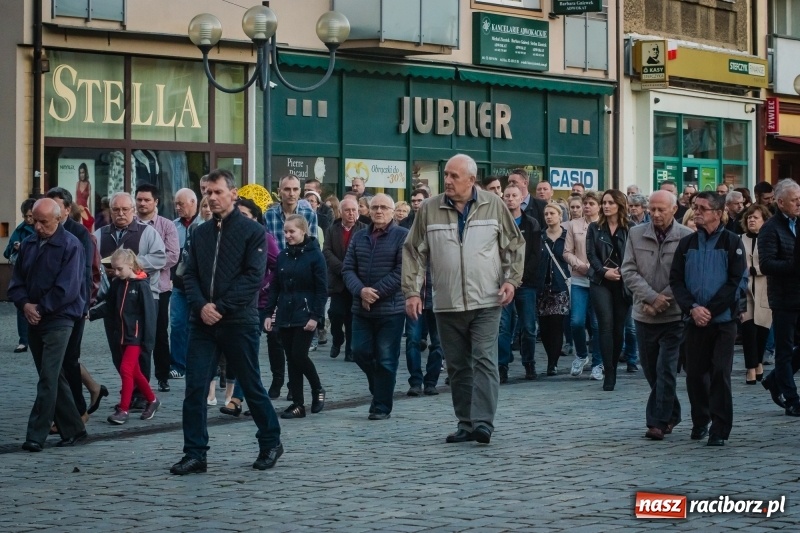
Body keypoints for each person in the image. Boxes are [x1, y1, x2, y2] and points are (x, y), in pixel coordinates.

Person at [403, 154, 525, 444]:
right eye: (445, 174)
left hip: (487, 299)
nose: (447, 180)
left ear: (471, 180)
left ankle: (483, 422)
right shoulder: (430, 209)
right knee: (458, 366)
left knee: (484, 360)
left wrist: (511, 280)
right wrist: (411, 291)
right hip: (446, 302)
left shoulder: (493, 205)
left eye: (454, 176)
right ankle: (465, 423)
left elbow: (514, 245)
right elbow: (413, 252)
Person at [171, 169, 283, 475]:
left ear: (233, 194)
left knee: (249, 383)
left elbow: (252, 277)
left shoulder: (252, 231)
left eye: (218, 191)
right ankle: (195, 453)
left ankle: (270, 441)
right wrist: (201, 306)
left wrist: (219, 307)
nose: (211, 197)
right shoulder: (200, 233)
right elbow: (186, 274)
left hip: (238, 320)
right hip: (202, 322)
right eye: (207, 192)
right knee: (195, 387)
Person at [10, 198, 87, 452]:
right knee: (54, 377)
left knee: (48, 377)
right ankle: (75, 428)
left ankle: (36, 434)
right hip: (35, 316)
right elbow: (17, 281)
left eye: (44, 222)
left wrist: (39, 308)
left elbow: (68, 289)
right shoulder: (30, 243)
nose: (38, 227)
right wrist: (25, 305)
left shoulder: (70, 245)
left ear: (58, 219)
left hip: (60, 319)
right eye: (35, 221)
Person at [670, 191, 746, 446]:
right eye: (695, 207)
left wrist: (709, 310)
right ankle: (701, 419)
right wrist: (692, 308)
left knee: (720, 373)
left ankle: (720, 428)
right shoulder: (687, 244)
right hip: (694, 320)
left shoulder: (732, 242)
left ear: (717, 212)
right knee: (694, 374)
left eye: (702, 208)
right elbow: (676, 280)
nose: (697, 212)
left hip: (723, 321)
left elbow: (735, 282)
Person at [621, 191, 693, 441]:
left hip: (674, 317)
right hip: (644, 314)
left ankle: (658, 422)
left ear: (674, 210)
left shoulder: (686, 236)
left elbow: (686, 276)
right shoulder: (635, 233)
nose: (656, 214)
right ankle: (672, 412)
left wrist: (663, 299)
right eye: (652, 209)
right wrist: (651, 298)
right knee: (651, 371)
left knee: (666, 369)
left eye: (661, 209)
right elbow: (628, 270)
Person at [95, 192, 166, 408]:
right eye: (116, 210)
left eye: (125, 209)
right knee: (118, 348)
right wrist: (103, 270)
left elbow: (160, 257)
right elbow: (90, 260)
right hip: (113, 300)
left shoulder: (147, 232)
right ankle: (131, 388)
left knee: (140, 350)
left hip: (141, 299)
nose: (121, 214)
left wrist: (130, 265)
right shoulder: (99, 234)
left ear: (133, 211)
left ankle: (141, 395)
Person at [343, 194, 408, 420]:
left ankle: (381, 406)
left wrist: (375, 293)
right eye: (375, 207)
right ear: (368, 211)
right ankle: (378, 386)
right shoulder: (359, 237)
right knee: (359, 351)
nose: (379, 211)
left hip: (391, 309)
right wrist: (361, 291)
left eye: (384, 207)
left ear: (392, 211)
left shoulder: (402, 236)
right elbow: (347, 269)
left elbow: (402, 272)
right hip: (361, 308)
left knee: (386, 358)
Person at [45, 187, 100, 424]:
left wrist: (85, 305)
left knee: (68, 360)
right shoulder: (43, 230)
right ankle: (80, 402)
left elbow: (86, 273)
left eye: (58, 208)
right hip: (49, 306)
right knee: (61, 361)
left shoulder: (79, 234)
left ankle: (78, 412)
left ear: (67, 209)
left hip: (73, 305)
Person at [264, 215, 328, 419]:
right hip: (285, 312)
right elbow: (275, 287)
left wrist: (316, 316)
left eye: (292, 231)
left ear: (303, 231)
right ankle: (298, 404)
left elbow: (321, 289)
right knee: (291, 358)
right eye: (285, 231)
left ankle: (317, 388)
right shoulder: (283, 256)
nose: (287, 235)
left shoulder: (315, 256)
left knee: (300, 355)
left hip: (305, 313)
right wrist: (269, 312)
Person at [89, 249, 160, 424]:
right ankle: (152, 400)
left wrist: (148, 343)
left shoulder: (142, 285)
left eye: (120, 269)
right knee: (134, 371)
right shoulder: (117, 284)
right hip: (121, 334)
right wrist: (91, 314)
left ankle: (124, 410)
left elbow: (150, 316)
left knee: (127, 370)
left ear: (130, 265)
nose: (116, 273)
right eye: (114, 269)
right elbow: (110, 306)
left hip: (135, 336)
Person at [759, 179, 800, 415]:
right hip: (784, 298)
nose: (798, 203)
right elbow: (766, 264)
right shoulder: (770, 228)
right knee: (783, 350)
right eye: (794, 200)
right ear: (780, 202)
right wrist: (794, 265)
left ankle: (775, 380)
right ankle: (791, 398)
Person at [135, 183, 180, 393]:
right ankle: (139, 378)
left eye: (146, 200)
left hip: (160, 288)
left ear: (156, 202)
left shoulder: (166, 225)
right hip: (133, 287)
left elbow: (172, 255)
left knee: (160, 333)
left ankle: (163, 375)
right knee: (136, 334)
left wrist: (141, 264)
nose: (142, 203)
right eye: (139, 199)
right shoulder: (131, 225)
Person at [586, 190, 631, 391]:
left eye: (610, 202)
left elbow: (632, 255)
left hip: (623, 281)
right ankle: (609, 372)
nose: (606, 206)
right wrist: (604, 272)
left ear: (619, 204)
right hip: (600, 280)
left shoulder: (630, 228)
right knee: (605, 324)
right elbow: (591, 254)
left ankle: (613, 363)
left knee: (618, 327)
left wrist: (620, 272)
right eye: (604, 202)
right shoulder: (595, 228)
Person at [498, 183, 541, 381]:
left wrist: (520, 278)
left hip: (526, 284)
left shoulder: (530, 223)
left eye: (514, 195)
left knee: (528, 327)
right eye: (507, 195)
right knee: (503, 327)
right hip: (502, 282)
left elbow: (534, 255)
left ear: (521, 198)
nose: (510, 199)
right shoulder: (497, 223)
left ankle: (529, 363)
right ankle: (502, 365)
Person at [564, 191, 603, 379]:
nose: (587, 206)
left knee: (597, 324)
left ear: (599, 206)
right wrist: (577, 264)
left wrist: (594, 267)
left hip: (598, 280)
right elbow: (567, 252)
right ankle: (581, 354)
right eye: (585, 203)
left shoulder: (604, 225)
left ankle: (598, 363)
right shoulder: (574, 225)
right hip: (579, 278)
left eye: (591, 203)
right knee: (576, 321)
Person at [323, 197, 366, 363]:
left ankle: (350, 351)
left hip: (356, 280)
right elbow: (326, 251)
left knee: (352, 317)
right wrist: (342, 269)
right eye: (347, 210)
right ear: (340, 212)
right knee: (336, 313)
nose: (351, 213)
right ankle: (337, 339)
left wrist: (351, 271)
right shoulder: (332, 229)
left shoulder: (364, 229)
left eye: (354, 210)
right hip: (338, 280)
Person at [170, 188, 202, 380]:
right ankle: (178, 364)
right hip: (179, 284)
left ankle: (195, 363)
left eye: (181, 203)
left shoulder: (203, 224)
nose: (178, 207)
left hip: (197, 286)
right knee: (177, 323)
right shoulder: (173, 226)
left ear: (193, 202)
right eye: (176, 204)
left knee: (195, 326)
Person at [740, 204, 772, 385]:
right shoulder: (739, 239)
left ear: (764, 221)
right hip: (744, 291)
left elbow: (773, 263)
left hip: (765, 290)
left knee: (762, 331)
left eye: (756, 217)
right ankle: (750, 368)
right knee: (748, 330)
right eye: (749, 217)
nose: (751, 220)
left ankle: (758, 363)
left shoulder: (769, 239)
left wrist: (754, 269)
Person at [538, 203, 570, 376]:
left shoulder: (567, 237)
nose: (549, 216)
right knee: (544, 327)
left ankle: (553, 363)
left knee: (557, 325)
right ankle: (550, 356)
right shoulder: (540, 237)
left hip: (560, 286)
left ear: (560, 216)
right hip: (543, 287)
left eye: (552, 213)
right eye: (546, 214)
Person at [5, 198, 36, 353]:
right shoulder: (20, 229)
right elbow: (6, 252)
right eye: (26, 216)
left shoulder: (42, 226)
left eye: (31, 216)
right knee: (22, 305)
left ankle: (38, 339)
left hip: (39, 273)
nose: (29, 219)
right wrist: (15, 246)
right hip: (23, 273)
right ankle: (23, 340)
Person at [264, 174, 319, 250]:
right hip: (276, 261)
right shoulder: (269, 215)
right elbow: (265, 247)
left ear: (300, 191)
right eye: (287, 189)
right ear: (279, 191)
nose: (291, 194)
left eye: (295, 189)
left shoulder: (309, 214)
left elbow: (313, 247)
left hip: (301, 261)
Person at [75, 162, 94, 232]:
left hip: (85, 210)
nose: (81, 175)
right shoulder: (77, 183)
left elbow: (90, 201)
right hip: (78, 209)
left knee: (87, 229)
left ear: (86, 173)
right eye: (80, 173)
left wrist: (91, 215)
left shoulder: (88, 184)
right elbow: (76, 198)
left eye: (83, 172)